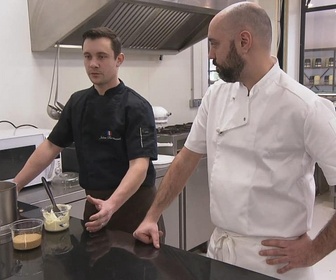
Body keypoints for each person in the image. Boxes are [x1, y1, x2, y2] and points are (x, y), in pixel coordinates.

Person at [133, 2, 336, 280]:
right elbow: (186, 160)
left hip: (277, 263)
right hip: (221, 253)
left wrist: (312, 252)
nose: (210, 55)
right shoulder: (216, 96)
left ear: (244, 41)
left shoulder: (306, 107)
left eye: (214, 44)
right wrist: (152, 216)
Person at [14, 27, 164, 236]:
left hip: (135, 208)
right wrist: (14, 186)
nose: (93, 64)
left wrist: (112, 205)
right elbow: (50, 146)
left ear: (119, 59)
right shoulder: (77, 102)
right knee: (93, 267)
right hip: (95, 205)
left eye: (101, 56)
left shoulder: (136, 106)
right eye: (87, 56)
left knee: (139, 267)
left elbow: (139, 167)